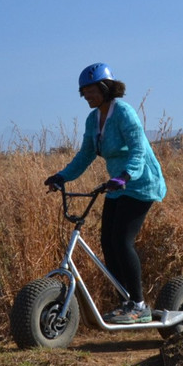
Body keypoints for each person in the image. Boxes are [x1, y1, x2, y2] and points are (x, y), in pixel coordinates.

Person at [44, 63, 167, 324]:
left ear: (105, 88)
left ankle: (139, 306)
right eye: (84, 92)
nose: (86, 96)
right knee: (108, 243)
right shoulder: (93, 120)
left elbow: (138, 150)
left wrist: (125, 175)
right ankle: (126, 302)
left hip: (140, 182)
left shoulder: (123, 112)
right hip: (116, 186)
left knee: (122, 241)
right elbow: (85, 155)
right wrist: (61, 176)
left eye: (91, 90)